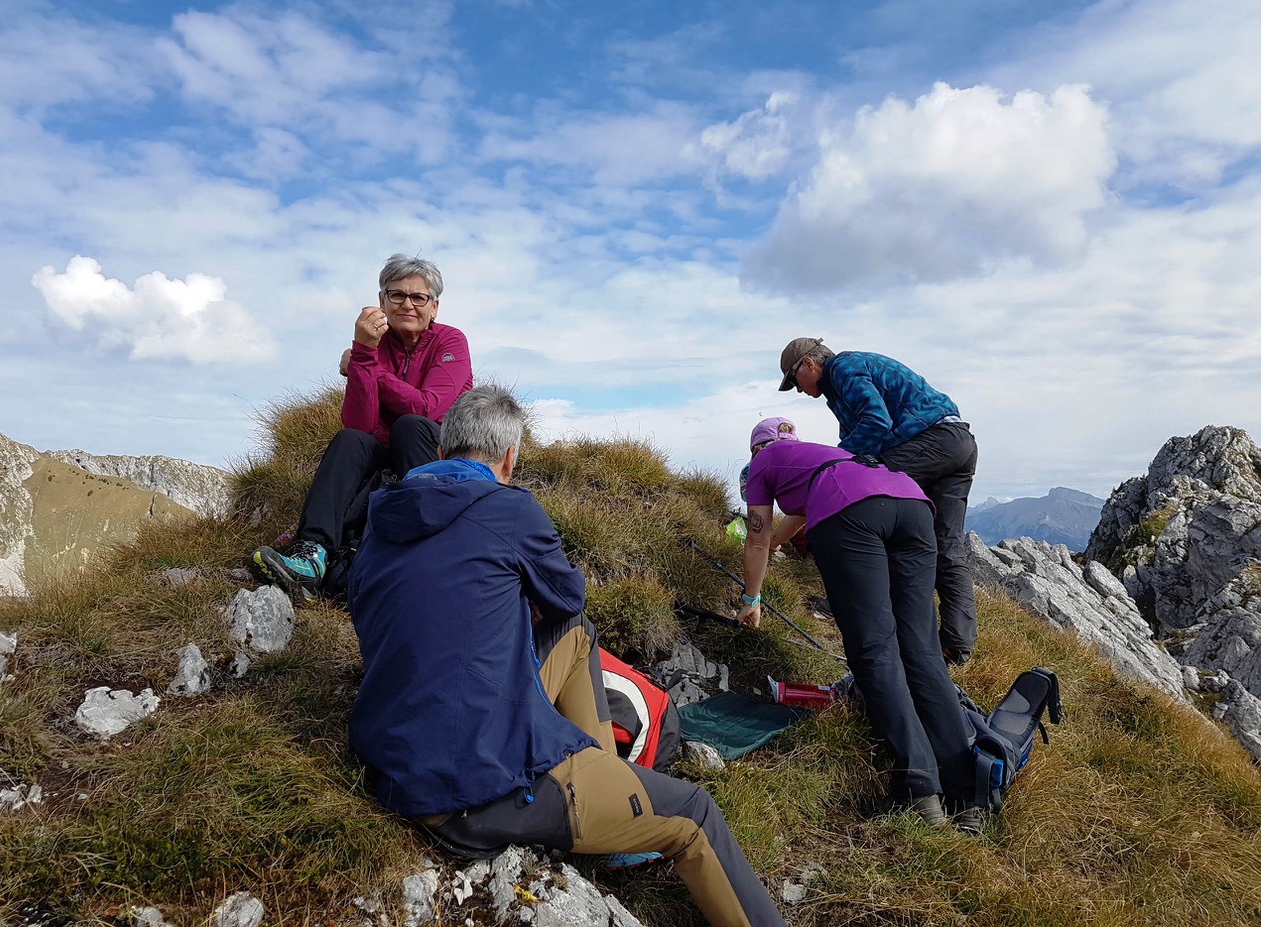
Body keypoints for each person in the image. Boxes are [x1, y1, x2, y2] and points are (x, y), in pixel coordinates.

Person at [347, 386, 787, 927]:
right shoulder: (509, 507)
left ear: (442, 450)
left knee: (574, 633)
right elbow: (567, 594)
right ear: (510, 457)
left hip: (390, 757)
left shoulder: (382, 518)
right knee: (695, 814)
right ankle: (592, 798)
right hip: (474, 789)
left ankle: (597, 769)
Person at [737, 417, 981, 832]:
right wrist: (778, 542)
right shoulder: (825, 456)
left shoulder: (762, 462)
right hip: (913, 506)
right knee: (920, 648)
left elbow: (757, 537)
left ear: (757, 448)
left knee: (874, 650)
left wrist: (751, 599)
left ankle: (919, 788)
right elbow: (791, 521)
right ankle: (966, 794)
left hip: (852, 515)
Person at [248, 254, 473, 598]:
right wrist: (365, 353)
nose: (407, 304)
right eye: (397, 295)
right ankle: (313, 552)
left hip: (434, 448)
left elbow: (429, 407)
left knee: (410, 425)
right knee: (350, 439)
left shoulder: (451, 341)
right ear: (382, 301)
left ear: (435, 307)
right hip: (384, 447)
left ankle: (432, 540)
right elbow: (360, 423)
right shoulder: (372, 346)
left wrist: (364, 366)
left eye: (418, 297)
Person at [777, 338, 978, 664]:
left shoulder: (843, 368)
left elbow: (876, 421)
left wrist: (835, 464)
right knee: (947, 547)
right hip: (958, 443)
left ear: (809, 365)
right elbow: (860, 432)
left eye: (793, 380)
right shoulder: (842, 384)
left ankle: (856, 603)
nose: (798, 390)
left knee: (859, 506)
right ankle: (955, 646)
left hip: (930, 440)